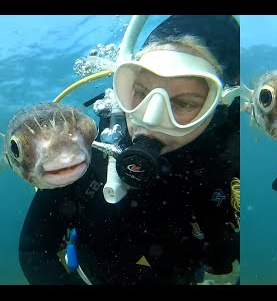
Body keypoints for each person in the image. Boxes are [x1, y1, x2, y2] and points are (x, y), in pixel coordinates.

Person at [18, 15, 240, 285]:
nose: (150, 117)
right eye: (140, 91)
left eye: (183, 104)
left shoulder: (232, 167)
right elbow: (34, 249)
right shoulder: (82, 153)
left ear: (219, 107)